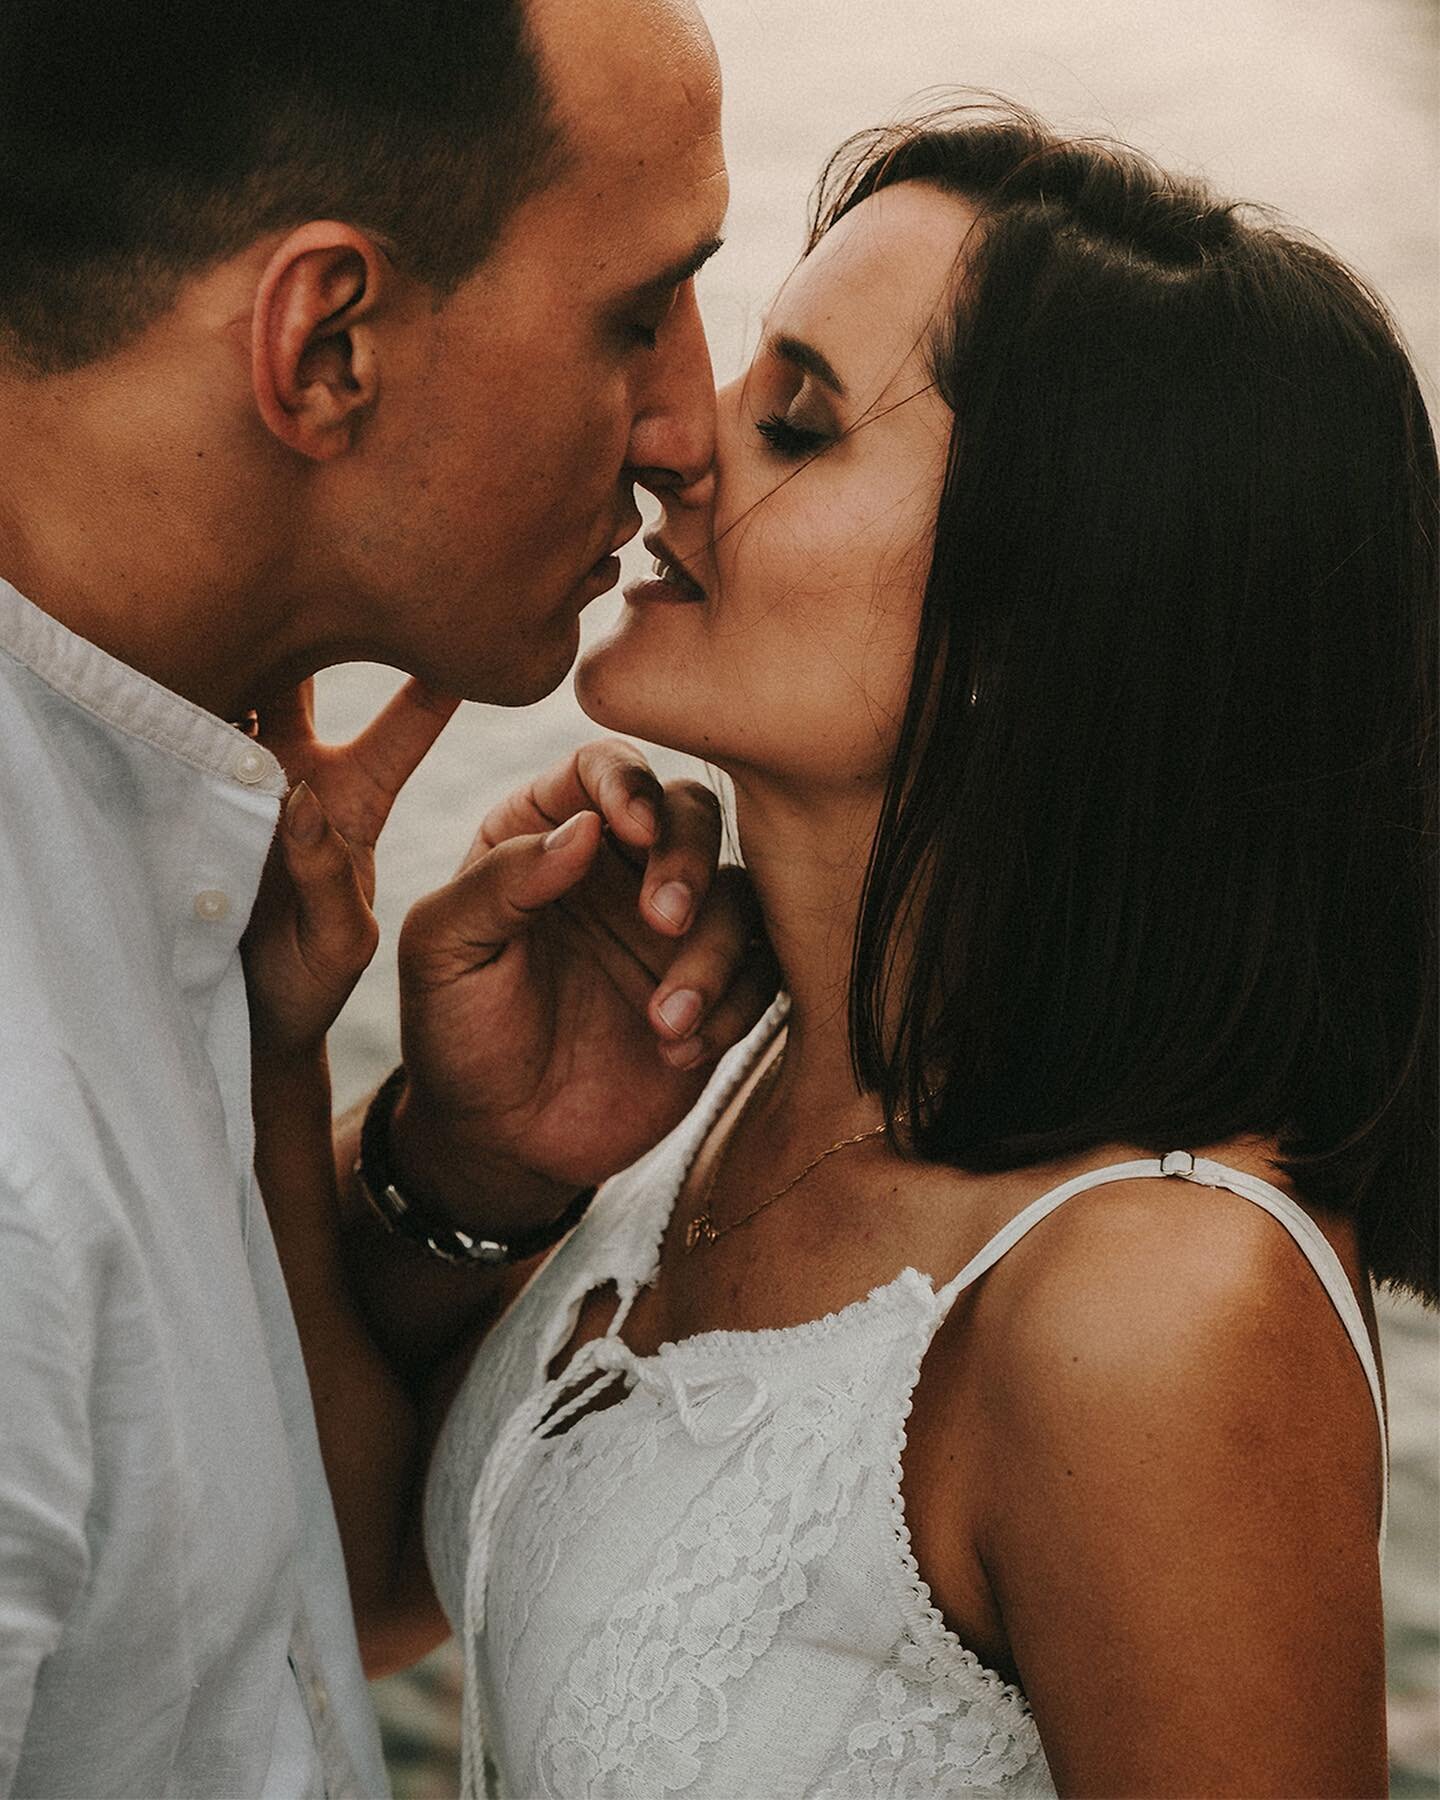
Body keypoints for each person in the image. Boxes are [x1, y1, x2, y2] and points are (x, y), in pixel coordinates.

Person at [252, 106, 1438, 1796]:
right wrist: (421, 1135)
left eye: (796, 422)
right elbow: (362, 1581)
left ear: (1035, 625)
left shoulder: (1159, 1308)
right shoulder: (743, 1081)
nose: (677, 445)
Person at [0, 0, 777, 1793]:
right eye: (635, 313)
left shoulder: (180, 831)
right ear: (328, 342)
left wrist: (438, 1169)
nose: (687, 432)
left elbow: (270, 1601)